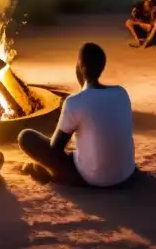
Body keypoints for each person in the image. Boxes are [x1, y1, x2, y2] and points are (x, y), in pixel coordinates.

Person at [18, 42, 135, 187]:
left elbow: (55, 149)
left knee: (25, 136)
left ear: (79, 67)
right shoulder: (121, 93)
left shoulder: (75, 102)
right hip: (125, 174)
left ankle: (65, 177)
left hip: (93, 178)